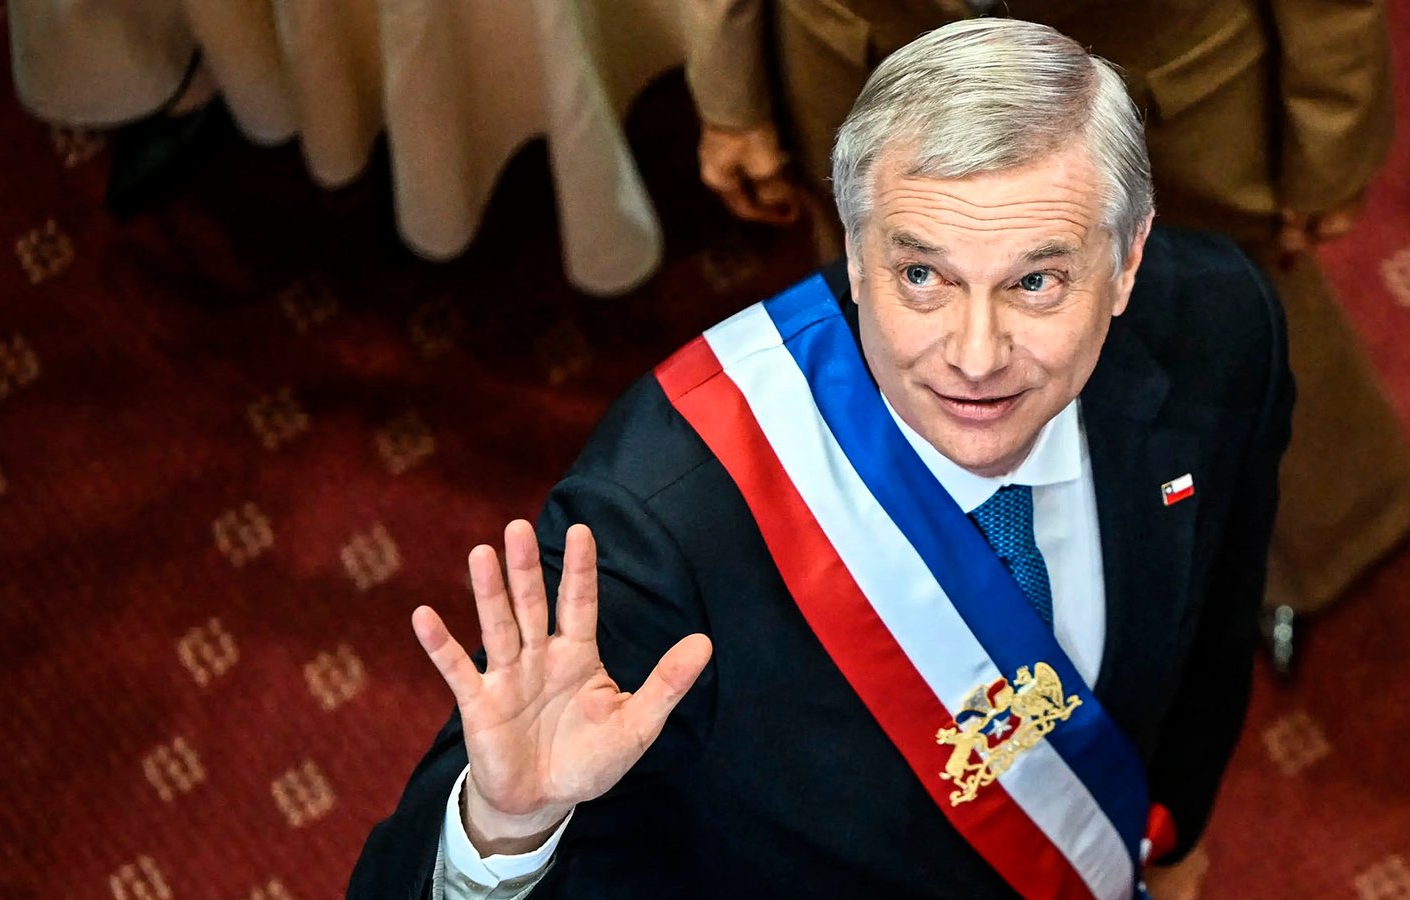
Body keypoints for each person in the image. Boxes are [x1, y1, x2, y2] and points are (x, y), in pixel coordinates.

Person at [349, 20, 1293, 899]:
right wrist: (505, 828)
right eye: (921, 275)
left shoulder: (1219, 328)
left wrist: (1172, 841)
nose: (975, 355)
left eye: (1036, 281)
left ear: (1127, 261)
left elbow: (1211, 632)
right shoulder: (664, 515)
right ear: (853, 251)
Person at [687, 0, 1410, 657]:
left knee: (1236, 316)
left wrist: (1333, 138)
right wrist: (730, 94)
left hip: (1165, 83)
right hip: (865, 53)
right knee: (906, 324)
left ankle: (1320, 547)